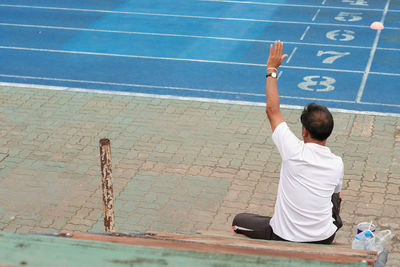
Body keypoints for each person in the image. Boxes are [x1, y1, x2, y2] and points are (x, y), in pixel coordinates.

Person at [232, 41, 344, 244]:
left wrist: (271, 69)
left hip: (283, 235)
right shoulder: (337, 163)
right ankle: (334, 223)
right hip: (325, 237)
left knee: (238, 221)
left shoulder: (293, 151)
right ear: (328, 133)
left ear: (304, 131)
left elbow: (272, 111)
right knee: (335, 195)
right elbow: (336, 194)